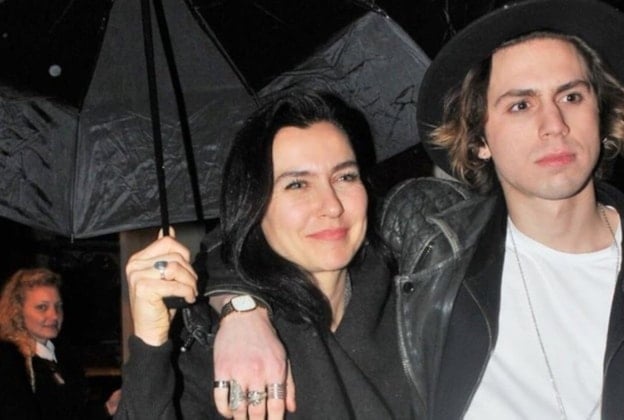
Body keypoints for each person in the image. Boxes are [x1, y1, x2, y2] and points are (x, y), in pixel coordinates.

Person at [205, 0, 624, 418]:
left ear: (601, 115)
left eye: (571, 96)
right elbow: (265, 233)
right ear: (479, 137)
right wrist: (242, 311)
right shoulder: (425, 231)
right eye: (520, 104)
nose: (553, 124)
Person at [114, 90, 413, 419]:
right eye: (297, 184)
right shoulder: (220, 347)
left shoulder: (416, 303)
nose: (332, 206)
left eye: (345, 177)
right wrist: (150, 343)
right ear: (254, 206)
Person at [0, 267, 122, 419]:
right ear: (17, 311)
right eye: (42, 307)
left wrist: (108, 408)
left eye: (58, 306)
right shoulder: (9, 362)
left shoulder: (63, 357)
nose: (54, 315)